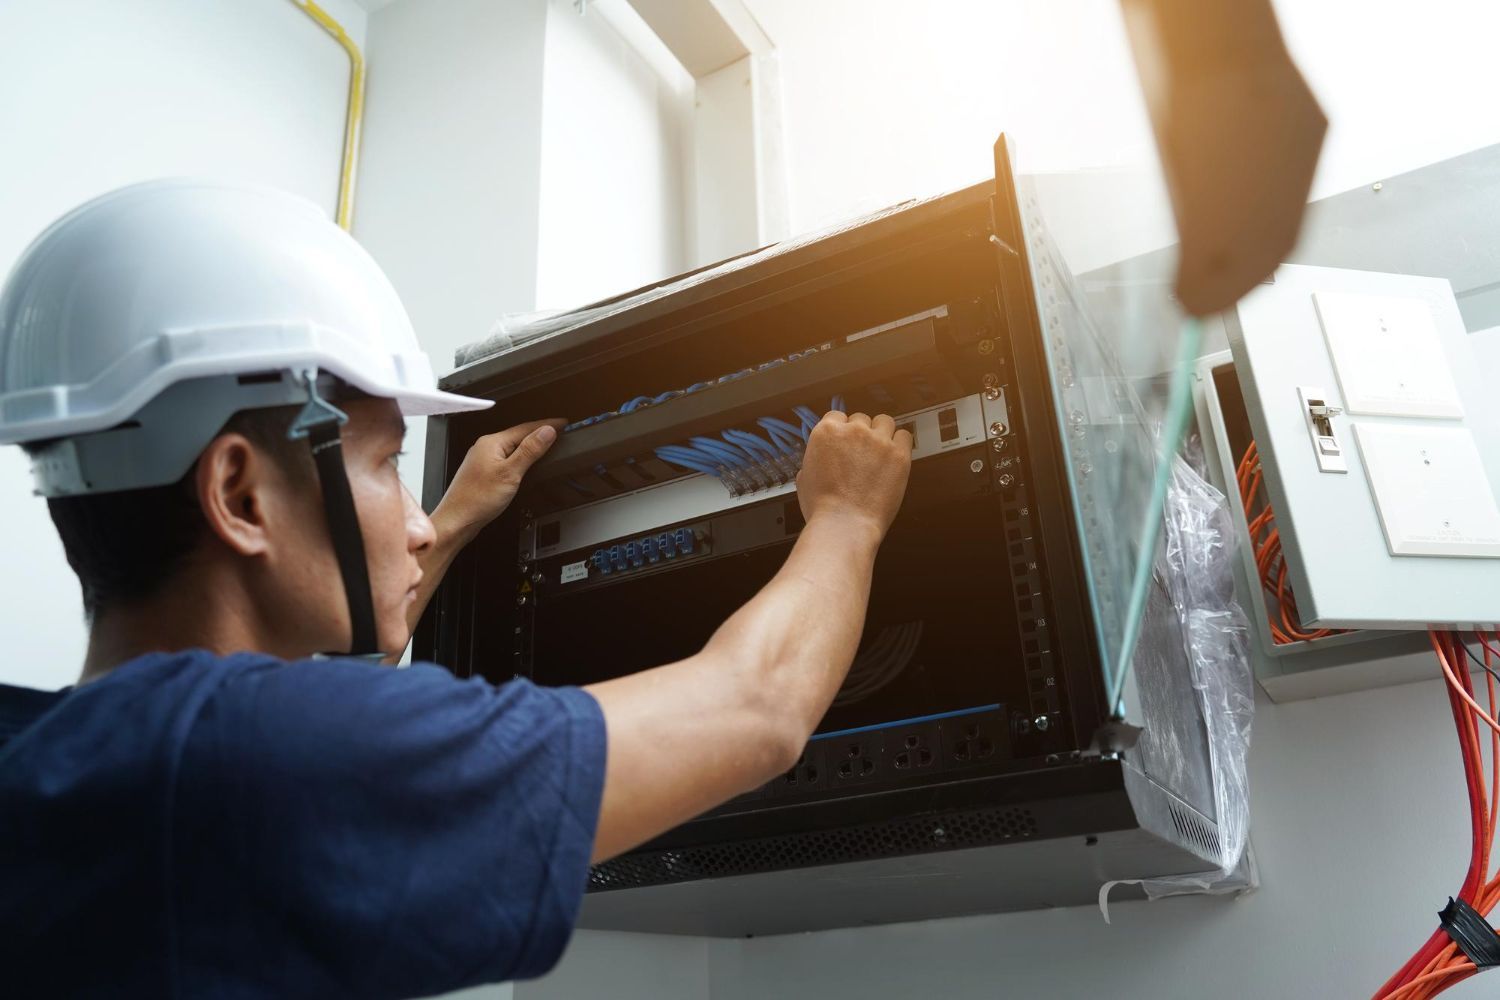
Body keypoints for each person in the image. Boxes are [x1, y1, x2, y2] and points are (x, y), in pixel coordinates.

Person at [0, 181, 912, 998]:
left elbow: (337, 674)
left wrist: (458, 518)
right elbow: (754, 709)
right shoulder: (256, 763)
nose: (419, 517)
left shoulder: (46, 762)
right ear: (240, 493)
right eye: (387, 461)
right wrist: (845, 517)